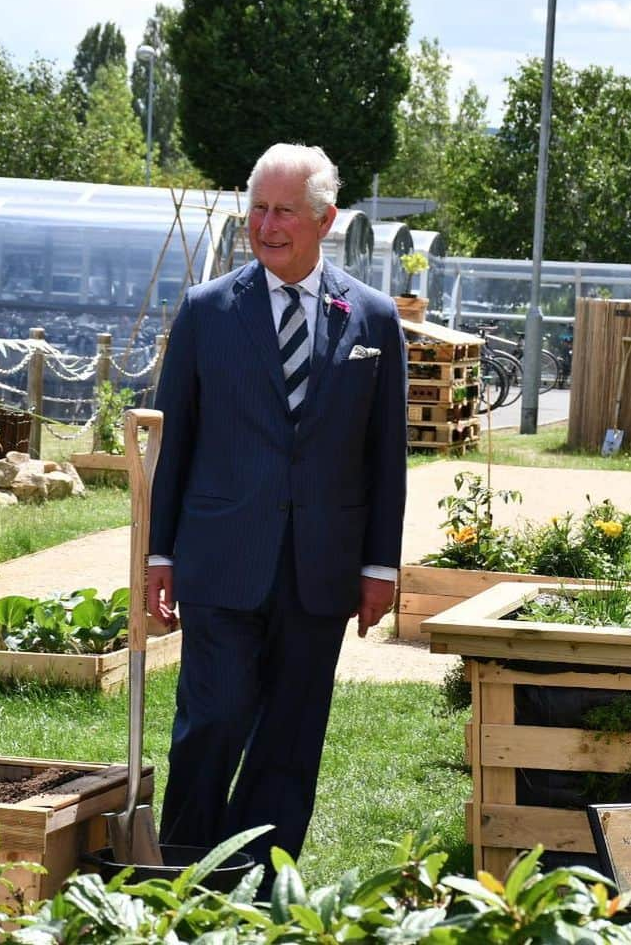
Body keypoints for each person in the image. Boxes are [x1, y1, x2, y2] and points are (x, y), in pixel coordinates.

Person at [146, 142, 407, 872]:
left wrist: (380, 564)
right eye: (256, 209)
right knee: (214, 718)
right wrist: (159, 554)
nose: (266, 225)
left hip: (320, 570)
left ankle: (259, 882)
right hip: (221, 560)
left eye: (283, 210)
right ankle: (184, 873)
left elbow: (386, 455)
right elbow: (174, 441)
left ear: (324, 219)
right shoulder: (205, 312)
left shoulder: (374, 320)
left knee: (291, 738)